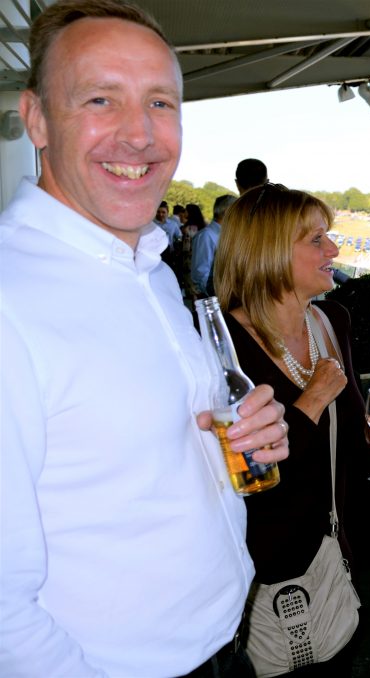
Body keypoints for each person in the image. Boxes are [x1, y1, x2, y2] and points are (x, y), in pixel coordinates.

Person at [0, 1, 289, 675]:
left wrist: (245, 441)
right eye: (101, 99)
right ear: (36, 119)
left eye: (161, 103)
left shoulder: (146, 266)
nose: (140, 135)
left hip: (225, 643)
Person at [214, 182, 370, 673]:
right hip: (263, 573)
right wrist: (309, 401)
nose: (333, 249)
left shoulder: (333, 321)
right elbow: (241, 479)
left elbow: (347, 429)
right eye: (315, 240)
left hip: (333, 558)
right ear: (267, 253)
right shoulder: (225, 353)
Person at [191, 193, 235, 297]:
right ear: (227, 212)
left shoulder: (223, 234)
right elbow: (201, 274)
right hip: (212, 298)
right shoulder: (206, 236)